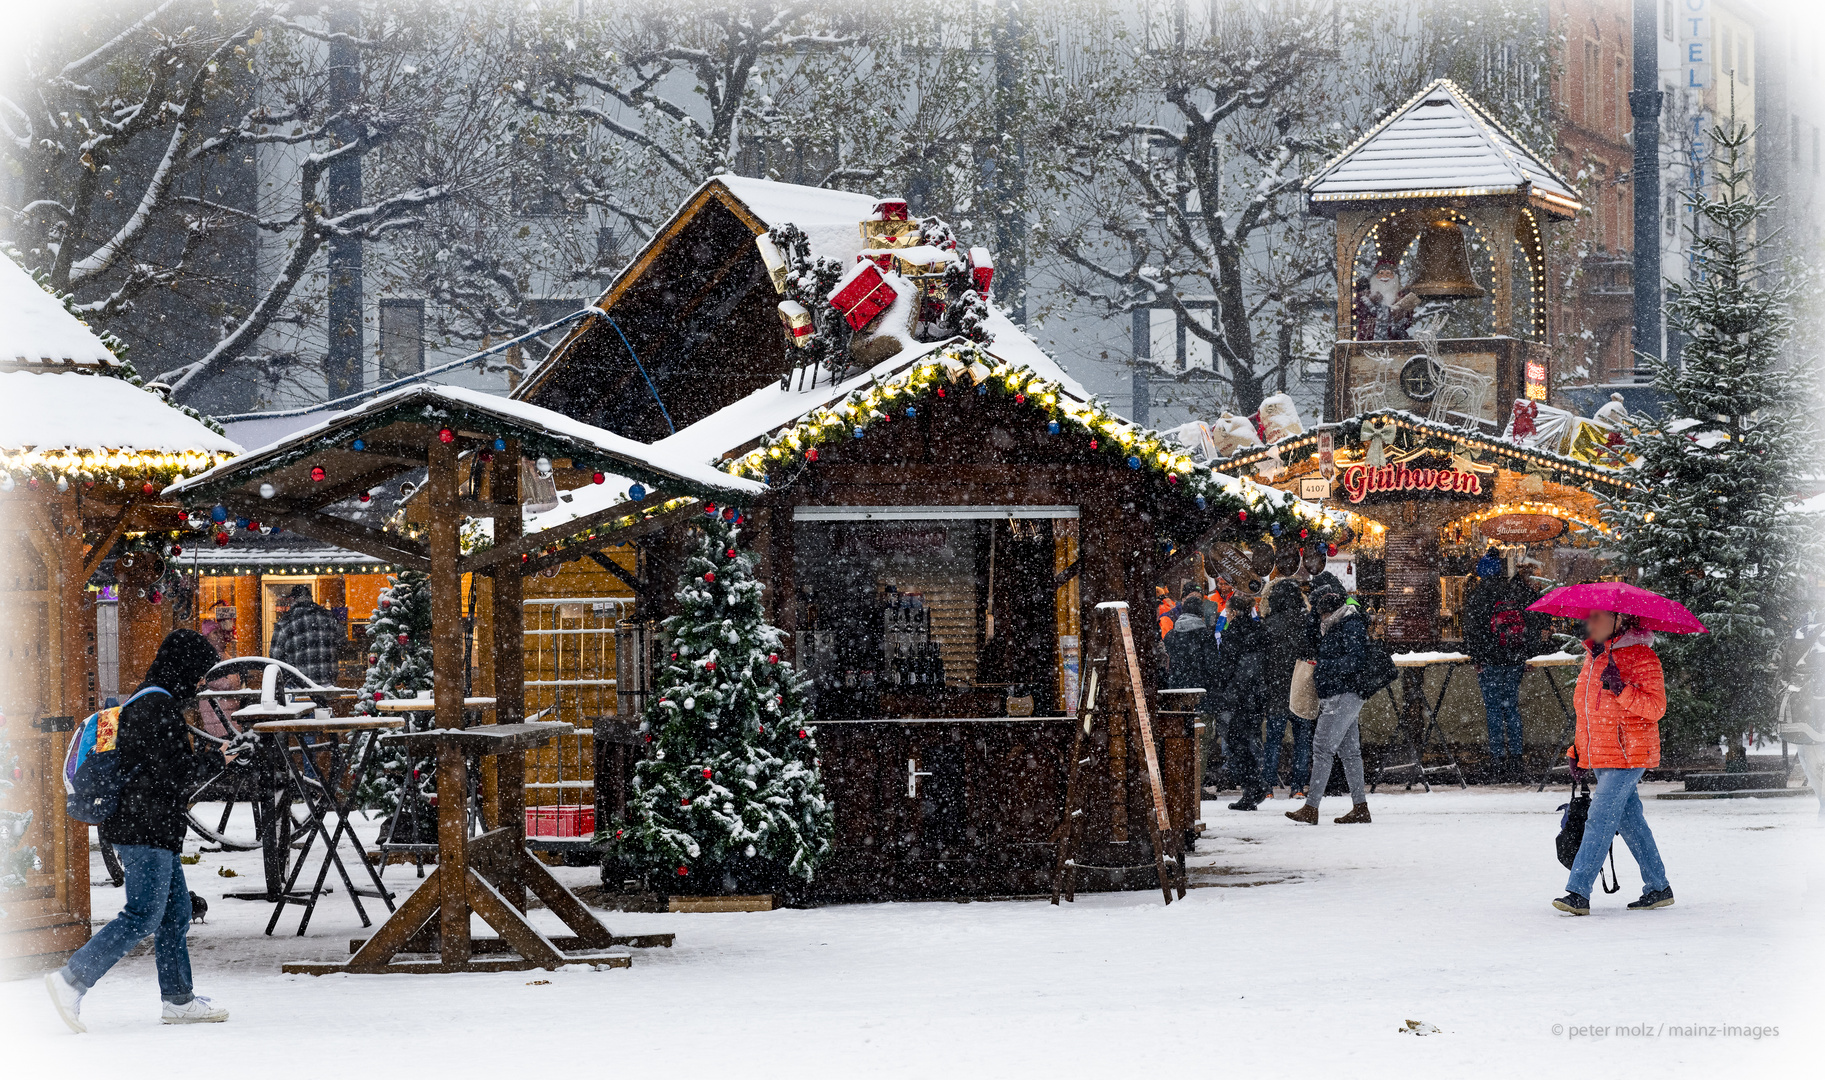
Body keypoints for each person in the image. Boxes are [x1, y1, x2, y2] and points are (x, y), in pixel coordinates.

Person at [45, 629, 229, 1032]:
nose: (197, 683)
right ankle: (70, 980)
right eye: (197, 674)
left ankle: (179, 1000)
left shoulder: (147, 699)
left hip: (149, 826)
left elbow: (155, 770)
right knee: (143, 914)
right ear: (182, 667)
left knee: (175, 913)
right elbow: (172, 777)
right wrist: (219, 761)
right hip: (144, 828)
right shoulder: (157, 708)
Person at [1553, 609, 1673, 915]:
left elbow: (1656, 707)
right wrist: (1578, 751)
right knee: (1631, 822)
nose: (1590, 623)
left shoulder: (1642, 656)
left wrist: (1622, 690)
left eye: (1598, 617)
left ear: (1620, 620)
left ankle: (1578, 892)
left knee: (1600, 819)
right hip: (1603, 755)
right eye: (1589, 617)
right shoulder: (1593, 658)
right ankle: (1658, 887)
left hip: (1630, 754)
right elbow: (1586, 714)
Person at [1285, 587, 1371, 824]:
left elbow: (1356, 660)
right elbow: (1311, 634)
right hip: (1343, 693)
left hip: (1342, 694)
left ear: (1328, 611)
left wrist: (1325, 668)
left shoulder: (1349, 625)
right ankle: (1360, 807)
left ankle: (1311, 807)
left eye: (1319, 613)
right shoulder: (1338, 624)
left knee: (1322, 749)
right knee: (1350, 752)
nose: (1318, 618)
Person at [1463, 551, 1546, 780]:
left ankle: (1497, 760)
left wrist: (1477, 657)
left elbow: (1472, 631)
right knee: (1511, 708)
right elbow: (1533, 620)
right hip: (1514, 659)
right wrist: (1527, 654)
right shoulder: (1515, 591)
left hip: (1490, 661)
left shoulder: (1477, 595)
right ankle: (1517, 759)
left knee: (1493, 710)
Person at [1212, 590, 1271, 810]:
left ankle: (1253, 786)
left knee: (1237, 743)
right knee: (1250, 740)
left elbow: (1227, 668)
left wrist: (1223, 689)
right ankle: (1254, 787)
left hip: (1238, 696)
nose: (1226, 615)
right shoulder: (1260, 631)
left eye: (1227, 611)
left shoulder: (1233, 633)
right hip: (1257, 695)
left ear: (1234, 612)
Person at [1260, 579, 1317, 798]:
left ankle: (1268, 788)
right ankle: (1298, 788)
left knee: (1273, 740)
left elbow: (1265, 661)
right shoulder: (1306, 623)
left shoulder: (1269, 625)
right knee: (1302, 740)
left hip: (1277, 689)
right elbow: (1311, 652)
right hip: (1301, 687)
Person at [269, 583, 341, 686]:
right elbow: (341, 644)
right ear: (310, 598)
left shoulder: (285, 622)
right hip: (327, 685)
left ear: (292, 600)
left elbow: (275, 657)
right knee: (325, 701)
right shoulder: (329, 617)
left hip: (298, 687)